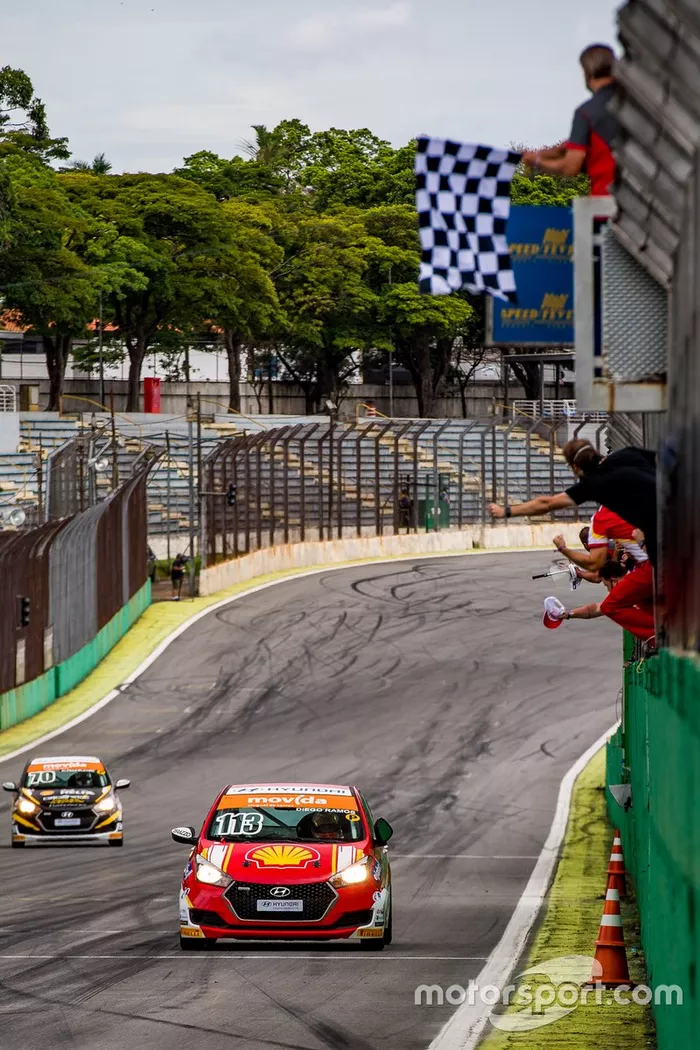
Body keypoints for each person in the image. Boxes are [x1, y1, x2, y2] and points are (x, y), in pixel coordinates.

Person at [521, 44, 618, 196]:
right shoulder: (633, 105)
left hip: (606, 205)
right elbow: (572, 146)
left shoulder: (585, 113)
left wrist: (536, 161)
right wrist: (539, 153)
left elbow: (570, 169)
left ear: (586, 72)